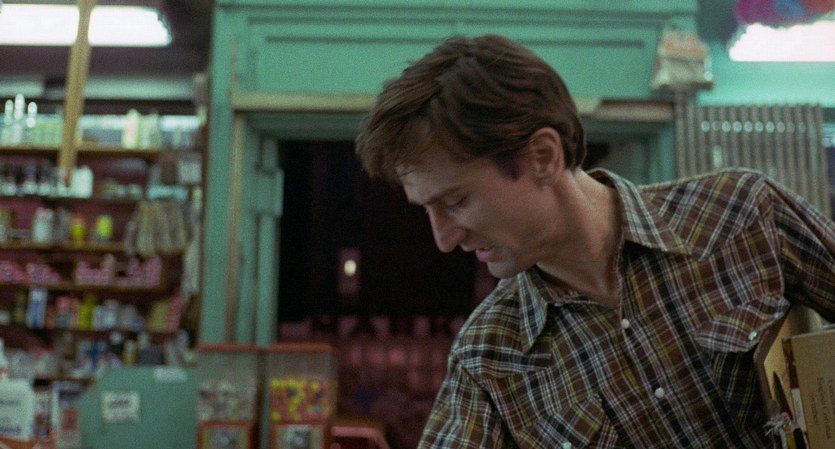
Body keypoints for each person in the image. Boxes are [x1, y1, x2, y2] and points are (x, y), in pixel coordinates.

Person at [354, 34, 835, 448]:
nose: (443, 239)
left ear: (543, 156)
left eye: (456, 201)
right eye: (428, 209)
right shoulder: (489, 358)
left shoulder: (741, 215)